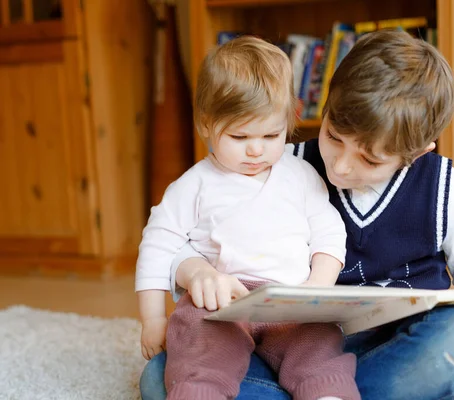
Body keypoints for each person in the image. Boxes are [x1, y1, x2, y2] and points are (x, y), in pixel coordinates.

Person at [139, 29, 454, 400]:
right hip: (286, 344)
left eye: (370, 158)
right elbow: (182, 237)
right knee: (160, 376)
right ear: (324, 107)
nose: (341, 167)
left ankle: (327, 390)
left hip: (387, 350)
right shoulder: (280, 162)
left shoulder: (445, 189)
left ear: (418, 152)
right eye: (333, 136)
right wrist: (197, 270)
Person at [135, 36, 360, 400]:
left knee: (320, 348)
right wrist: (152, 318)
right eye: (240, 136)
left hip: (291, 304)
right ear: (206, 125)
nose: (257, 149)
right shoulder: (193, 185)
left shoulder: (300, 175)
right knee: (198, 343)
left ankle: (326, 393)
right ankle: (200, 391)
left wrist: (316, 287)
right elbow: (158, 246)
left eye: (271, 134)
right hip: (223, 304)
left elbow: (329, 233)